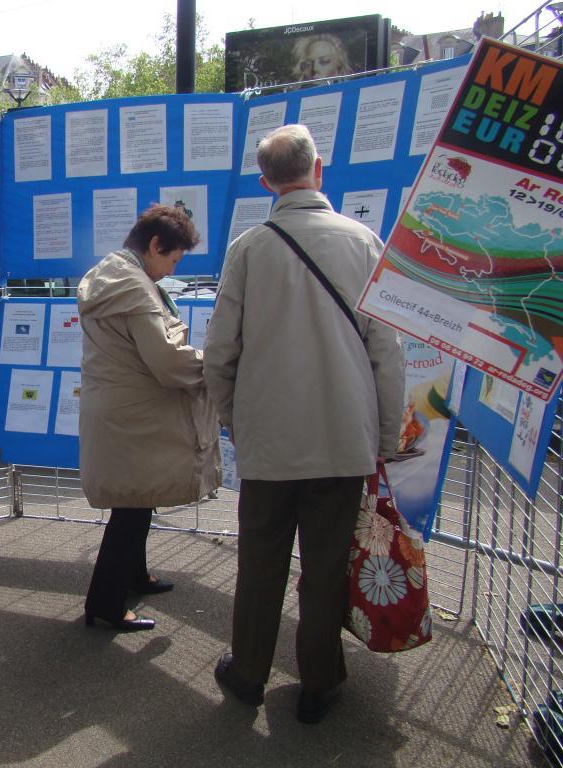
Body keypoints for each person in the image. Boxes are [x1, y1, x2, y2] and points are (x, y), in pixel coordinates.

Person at [202, 124, 404, 723]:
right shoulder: (364, 242)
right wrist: (386, 439)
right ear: (320, 169)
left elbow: (220, 352)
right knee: (325, 567)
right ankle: (319, 682)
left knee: (260, 562)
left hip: (269, 440)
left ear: (266, 183)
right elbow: (385, 351)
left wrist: (236, 418)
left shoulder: (249, 249)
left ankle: (246, 674)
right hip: (344, 439)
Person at [78, 204, 221, 632]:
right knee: (132, 509)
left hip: (122, 411)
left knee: (137, 499)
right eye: (172, 260)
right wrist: (215, 365)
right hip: (134, 414)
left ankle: (134, 577)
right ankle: (105, 605)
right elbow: (168, 362)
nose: (169, 271)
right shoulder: (135, 288)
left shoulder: (111, 275)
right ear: (155, 245)